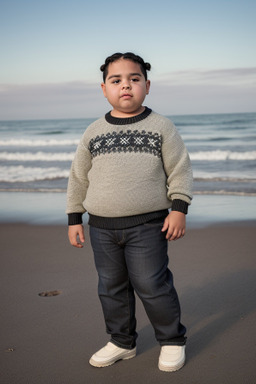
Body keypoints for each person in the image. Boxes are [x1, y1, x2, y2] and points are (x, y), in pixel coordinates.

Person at [66, 52, 193, 372]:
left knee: (152, 284)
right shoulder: (93, 131)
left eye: (134, 79)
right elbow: (78, 177)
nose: (126, 86)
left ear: (147, 86)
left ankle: (172, 340)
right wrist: (74, 217)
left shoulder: (161, 125)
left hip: (148, 225)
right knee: (110, 287)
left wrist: (179, 209)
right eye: (116, 80)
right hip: (101, 228)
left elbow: (180, 169)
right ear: (104, 88)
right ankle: (122, 342)